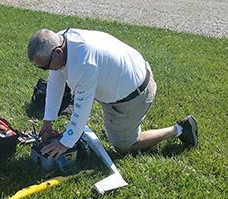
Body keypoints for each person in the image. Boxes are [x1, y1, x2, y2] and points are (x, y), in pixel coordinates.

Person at [27, 28, 198, 159]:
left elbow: (81, 110)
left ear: (58, 52)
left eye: (44, 66)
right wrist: (47, 123)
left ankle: (181, 129)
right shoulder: (59, 41)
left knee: (124, 147)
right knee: (111, 129)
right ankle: (116, 126)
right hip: (128, 76)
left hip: (134, 95)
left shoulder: (84, 64)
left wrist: (64, 144)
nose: (44, 70)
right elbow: (55, 84)